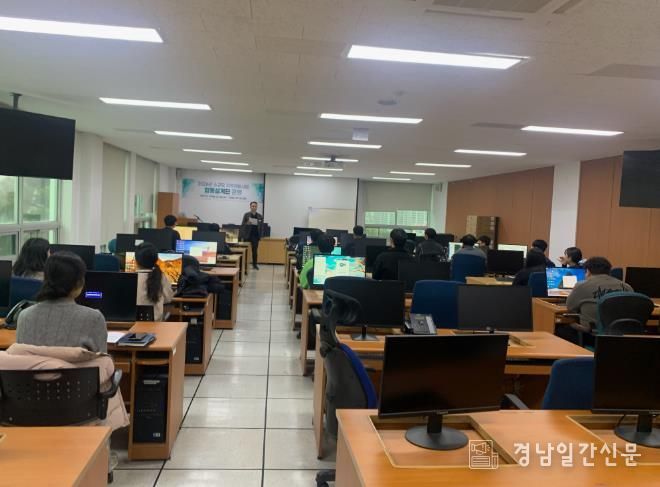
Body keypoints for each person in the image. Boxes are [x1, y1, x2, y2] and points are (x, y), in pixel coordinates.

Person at [16, 252, 107, 353]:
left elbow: (20, 358)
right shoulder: (94, 318)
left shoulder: (24, 316)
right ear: (79, 283)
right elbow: (102, 359)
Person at [566, 256, 632, 333]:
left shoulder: (582, 285)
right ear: (609, 271)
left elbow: (570, 307)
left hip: (591, 334)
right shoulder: (627, 287)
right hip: (622, 334)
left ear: (588, 271)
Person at [135, 243, 174, 321]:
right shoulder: (161, 277)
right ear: (156, 260)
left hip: (133, 324)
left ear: (136, 261)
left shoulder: (130, 278)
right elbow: (168, 299)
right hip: (156, 324)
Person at [240, 201, 264, 270]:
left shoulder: (260, 216)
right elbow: (242, 225)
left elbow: (262, 227)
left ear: (257, 207)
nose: (254, 207)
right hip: (247, 235)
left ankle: (255, 264)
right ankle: (244, 265)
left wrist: (261, 236)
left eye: (255, 206)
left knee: (255, 251)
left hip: (255, 236)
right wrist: (247, 223)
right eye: (252, 206)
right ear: (250, 207)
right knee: (246, 251)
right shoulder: (246, 215)